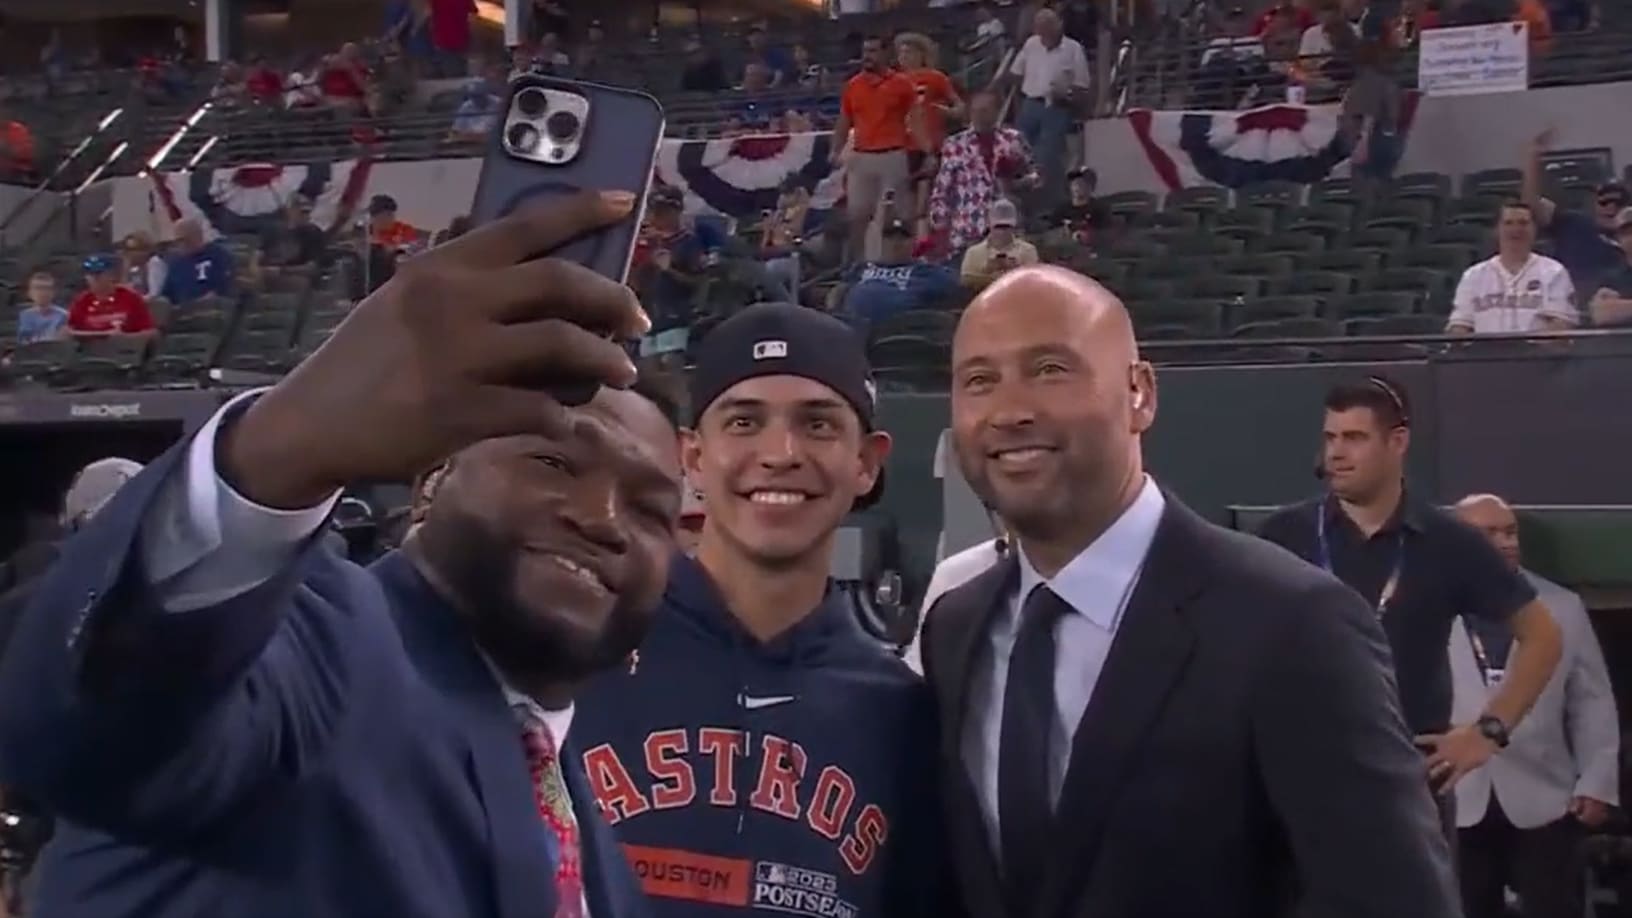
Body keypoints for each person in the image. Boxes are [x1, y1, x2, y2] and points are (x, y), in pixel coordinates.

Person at [0, 191, 671, 918]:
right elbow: (96, 725)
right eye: (556, 464)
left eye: (652, 509)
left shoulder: (595, 846)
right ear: (433, 477)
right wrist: (285, 447)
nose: (604, 518)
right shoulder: (315, 645)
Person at [921, 264, 1459, 918]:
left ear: (1140, 393)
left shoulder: (1293, 625)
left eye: (1050, 369)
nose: (1010, 410)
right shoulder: (955, 629)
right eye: (979, 381)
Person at [573, 303, 942, 918]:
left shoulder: (901, 714)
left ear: (868, 462)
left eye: (819, 425)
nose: (779, 454)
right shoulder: (581, 645)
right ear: (691, 456)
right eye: (744, 422)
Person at [1256, 377, 1563, 844]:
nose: (1337, 453)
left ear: (1397, 441)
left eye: (1354, 438)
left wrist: (1488, 732)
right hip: (1298, 787)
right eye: (1330, 437)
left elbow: (1543, 635)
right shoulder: (1283, 534)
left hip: (1409, 792)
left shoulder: (1450, 541)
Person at [1451, 493, 1618, 918]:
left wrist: (1596, 781)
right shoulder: (1427, 605)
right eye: (1490, 533)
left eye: (1510, 531)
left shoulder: (1561, 608)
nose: (1506, 542)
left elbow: (1592, 702)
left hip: (1545, 796)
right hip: (1455, 796)